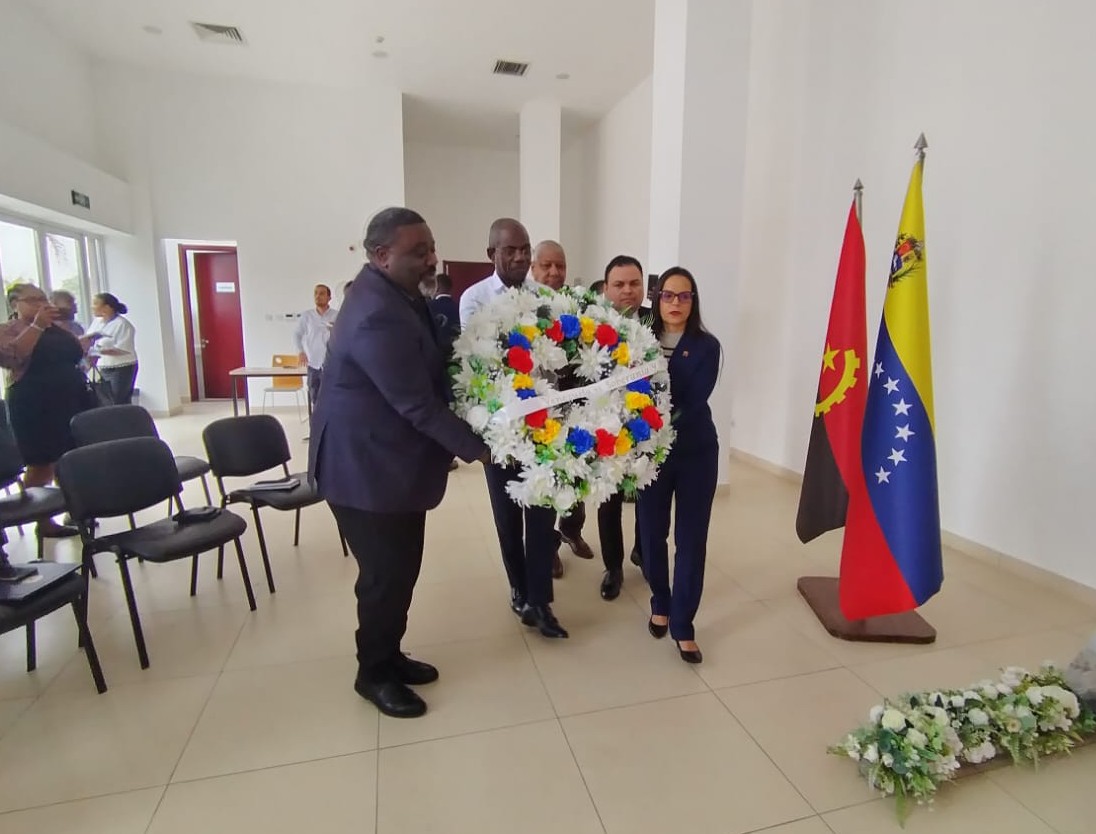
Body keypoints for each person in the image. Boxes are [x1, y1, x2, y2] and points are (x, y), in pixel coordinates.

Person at [309, 207, 489, 719]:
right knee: (385, 576)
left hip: (388, 463)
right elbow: (416, 404)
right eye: (419, 252)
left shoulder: (398, 294)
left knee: (401, 568)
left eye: (431, 247)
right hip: (362, 469)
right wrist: (484, 449)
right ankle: (372, 674)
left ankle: (389, 654)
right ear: (380, 256)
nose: (431, 259)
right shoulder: (374, 313)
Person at [460, 219, 568, 639]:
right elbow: (482, 360)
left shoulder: (545, 297)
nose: (521, 257)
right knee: (508, 517)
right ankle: (519, 589)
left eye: (525, 250)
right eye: (511, 251)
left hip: (542, 427)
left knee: (541, 517)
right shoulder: (474, 299)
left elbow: (554, 357)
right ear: (492, 254)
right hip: (499, 431)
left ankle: (541, 603)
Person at [638, 267, 721, 664]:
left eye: (684, 296)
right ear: (657, 298)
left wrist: (648, 420)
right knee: (651, 533)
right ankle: (660, 602)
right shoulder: (638, 339)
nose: (675, 303)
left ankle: (684, 624)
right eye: (668, 295)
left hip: (694, 452)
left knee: (690, 540)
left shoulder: (707, 346)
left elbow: (691, 399)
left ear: (693, 301)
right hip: (650, 457)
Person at [0, 284, 101, 537]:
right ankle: (41, 520)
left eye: (43, 299)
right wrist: (36, 326)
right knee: (41, 464)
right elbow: (13, 357)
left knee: (70, 458)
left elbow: (72, 354)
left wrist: (84, 346)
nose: (41, 304)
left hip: (70, 399)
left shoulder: (58, 328)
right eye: (33, 300)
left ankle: (74, 509)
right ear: (15, 304)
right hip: (34, 404)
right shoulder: (9, 330)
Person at [529, 240, 595, 576]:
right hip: (536, 415)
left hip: (574, 407)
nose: (554, 272)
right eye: (547, 265)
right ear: (533, 268)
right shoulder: (522, 308)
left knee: (575, 480)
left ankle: (572, 531)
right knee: (546, 487)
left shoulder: (577, 306)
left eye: (561, 266)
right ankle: (549, 545)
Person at [594, 254, 652, 600]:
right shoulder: (592, 327)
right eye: (619, 284)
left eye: (634, 283)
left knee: (649, 494)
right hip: (607, 429)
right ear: (606, 289)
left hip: (649, 427)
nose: (628, 291)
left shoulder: (654, 322)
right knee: (610, 501)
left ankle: (643, 552)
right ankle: (613, 567)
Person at [85, 293, 138, 405]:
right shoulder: (96, 322)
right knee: (105, 400)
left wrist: (98, 351)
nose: (92, 307)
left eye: (96, 304)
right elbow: (88, 340)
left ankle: (123, 422)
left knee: (118, 401)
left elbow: (123, 349)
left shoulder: (123, 324)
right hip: (103, 367)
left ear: (107, 307)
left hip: (121, 368)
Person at [294, 284, 338, 407]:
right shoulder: (307, 316)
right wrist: (300, 351)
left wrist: (334, 330)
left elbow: (345, 336)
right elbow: (297, 334)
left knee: (332, 399)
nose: (318, 296)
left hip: (331, 364)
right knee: (315, 400)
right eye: (316, 293)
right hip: (313, 364)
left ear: (329, 297)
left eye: (322, 293)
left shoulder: (337, 315)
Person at [427, 272, 460, 353]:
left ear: (436, 287)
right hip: (455, 354)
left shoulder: (428, 307)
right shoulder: (459, 306)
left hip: (434, 353)